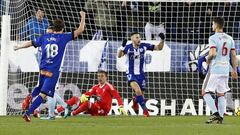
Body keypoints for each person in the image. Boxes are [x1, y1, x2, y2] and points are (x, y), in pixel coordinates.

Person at [14, 11, 86, 122]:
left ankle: (34, 97)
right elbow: (80, 30)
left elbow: (30, 43)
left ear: (53, 27)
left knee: (47, 91)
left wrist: (18, 47)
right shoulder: (64, 37)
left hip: (42, 70)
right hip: (53, 71)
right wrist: (83, 17)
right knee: (44, 95)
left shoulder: (45, 37)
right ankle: (28, 113)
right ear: (62, 29)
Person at [117, 32, 165, 117]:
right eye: (136, 37)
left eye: (139, 37)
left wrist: (162, 40)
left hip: (141, 74)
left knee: (141, 95)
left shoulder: (144, 46)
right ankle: (145, 111)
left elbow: (159, 48)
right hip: (131, 73)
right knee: (138, 91)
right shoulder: (128, 48)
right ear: (132, 39)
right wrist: (122, 46)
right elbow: (119, 55)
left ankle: (135, 100)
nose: (139, 39)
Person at [201, 17, 238, 124]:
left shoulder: (213, 38)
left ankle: (215, 113)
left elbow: (212, 53)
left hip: (215, 69)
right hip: (226, 70)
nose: (212, 26)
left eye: (212, 24)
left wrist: (207, 60)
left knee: (205, 92)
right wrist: (234, 70)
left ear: (216, 25)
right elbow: (234, 56)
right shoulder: (230, 38)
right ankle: (221, 117)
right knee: (221, 94)